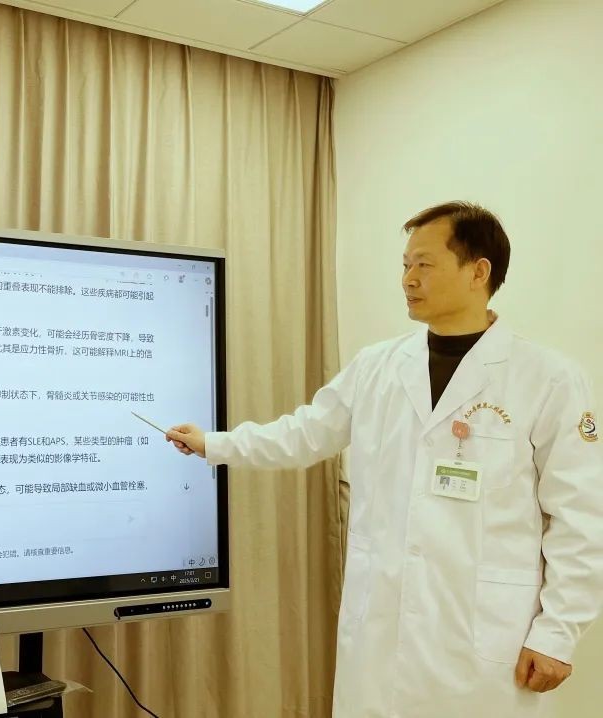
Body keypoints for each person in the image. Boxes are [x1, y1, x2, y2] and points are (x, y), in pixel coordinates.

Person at [166, 202, 603, 717]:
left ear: (478, 271)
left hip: (483, 640)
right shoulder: (378, 365)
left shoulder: (547, 378)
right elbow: (305, 433)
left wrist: (557, 633)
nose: (408, 279)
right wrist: (216, 444)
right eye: (405, 265)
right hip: (381, 634)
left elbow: (581, 517)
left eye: (425, 264)